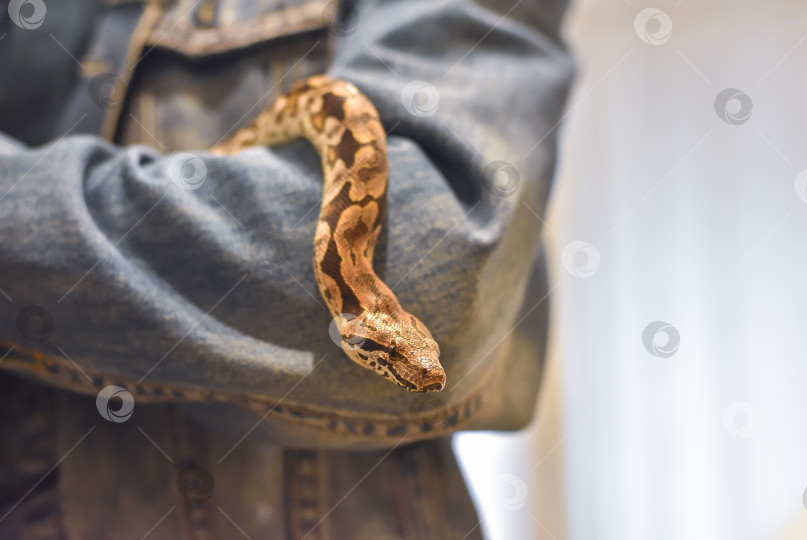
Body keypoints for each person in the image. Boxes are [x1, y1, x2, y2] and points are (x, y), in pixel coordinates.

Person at [0, 0, 573, 537]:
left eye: (402, 353)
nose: (424, 370)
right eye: (401, 354)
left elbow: (439, 275)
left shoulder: (362, 287)